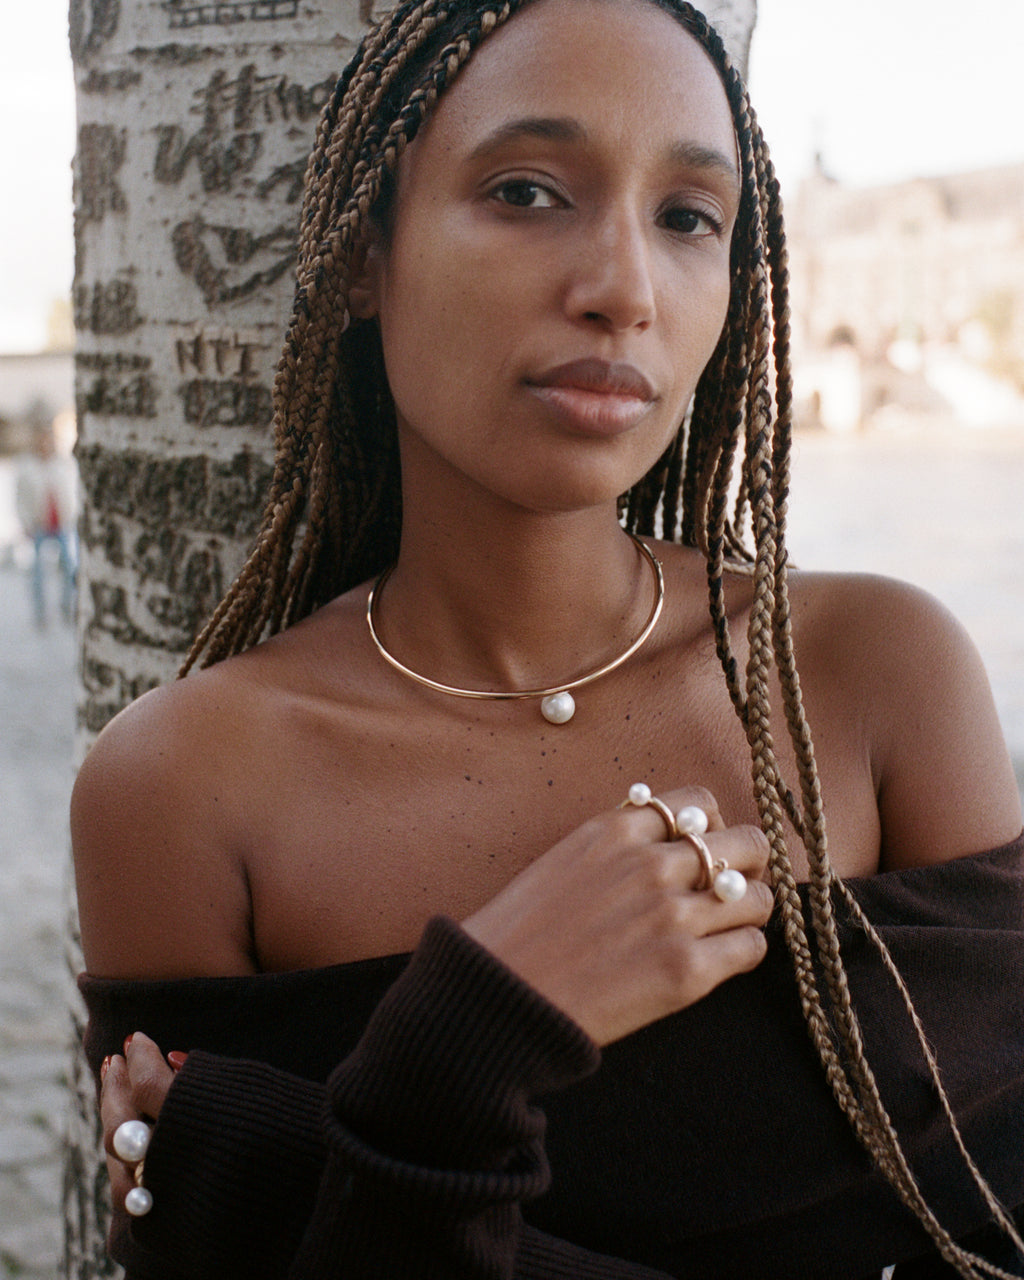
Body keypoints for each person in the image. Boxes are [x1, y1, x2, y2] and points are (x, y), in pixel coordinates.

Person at [70, 0, 1024, 1275]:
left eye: (689, 217)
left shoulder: (871, 676)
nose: (622, 288)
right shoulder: (183, 789)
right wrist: (478, 1033)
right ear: (367, 249)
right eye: (525, 191)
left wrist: (393, 1122)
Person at [15, 423, 77, 627]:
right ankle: (40, 612)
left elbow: (71, 491)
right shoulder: (27, 467)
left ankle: (67, 607)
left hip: (62, 524)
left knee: (68, 567)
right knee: (38, 572)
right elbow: (20, 498)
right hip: (39, 524)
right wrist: (25, 523)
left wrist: (73, 515)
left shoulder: (62, 463)